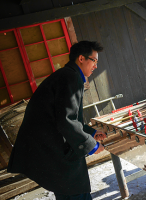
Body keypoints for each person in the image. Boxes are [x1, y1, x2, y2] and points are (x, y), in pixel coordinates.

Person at [7, 41, 107, 200]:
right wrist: (92, 145)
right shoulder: (71, 77)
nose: (96, 65)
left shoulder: (67, 75)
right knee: (75, 191)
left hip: (47, 147)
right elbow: (66, 122)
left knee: (73, 190)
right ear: (81, 58)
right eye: (94, 60)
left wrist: (92, 132)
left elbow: (69, 117)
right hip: (50, 148)